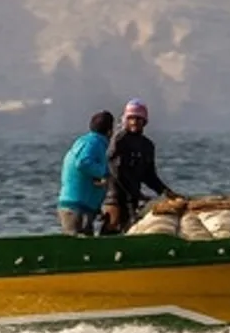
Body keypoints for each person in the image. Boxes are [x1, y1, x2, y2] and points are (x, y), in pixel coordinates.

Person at [101, 98, 180, 233]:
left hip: (134, 199)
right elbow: (116, 171)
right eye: (131, 118)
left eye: (138, 119)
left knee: (132, 230)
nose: (134, 122)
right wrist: (136, 193)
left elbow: (149, 176)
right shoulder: (119, 140)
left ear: (144, 121)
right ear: (125, 119)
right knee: (111, 231)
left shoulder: (147, 145)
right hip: (114, 198)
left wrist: (166, 192)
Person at [57, 110, 114, 235]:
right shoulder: (94, 143)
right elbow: (83, 163)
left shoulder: (86, 141)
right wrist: (103, 173)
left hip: (80, 205)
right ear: (110, 131)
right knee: (76, 247)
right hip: (76, 206)